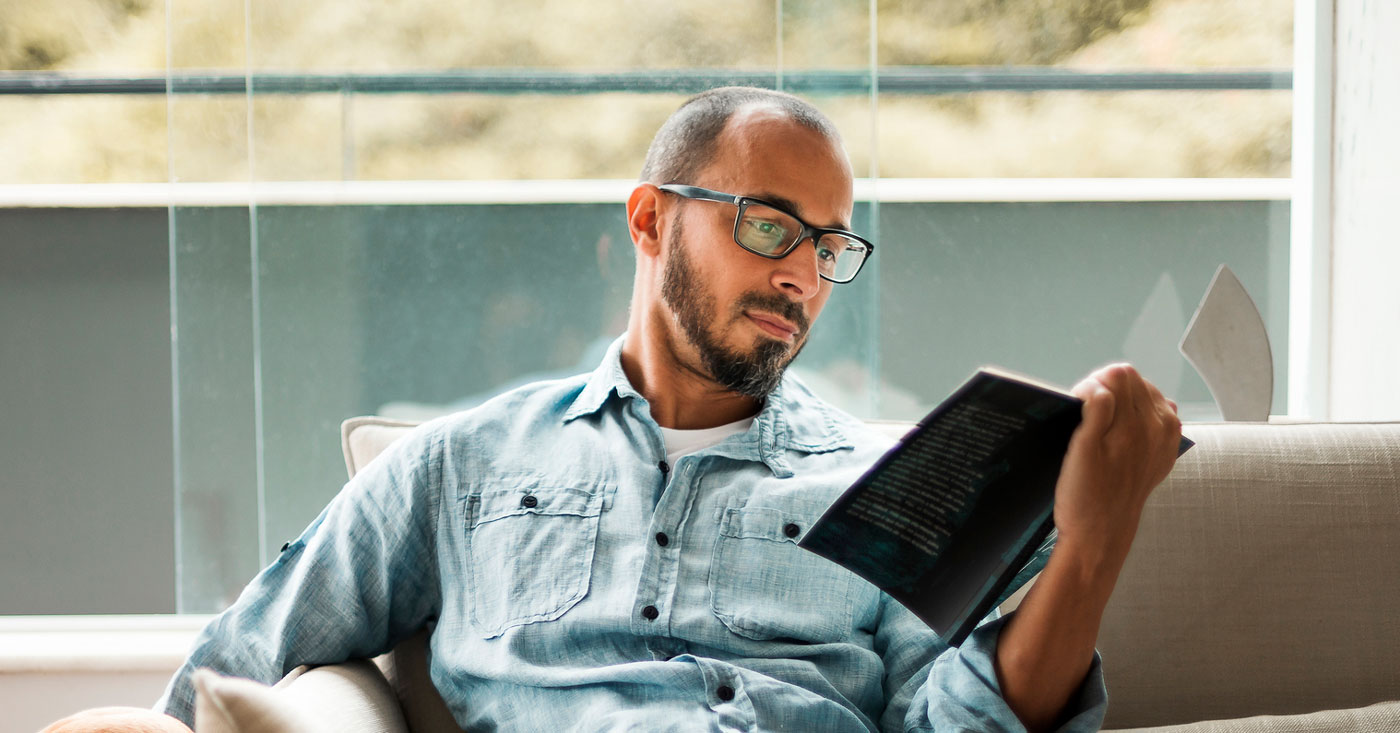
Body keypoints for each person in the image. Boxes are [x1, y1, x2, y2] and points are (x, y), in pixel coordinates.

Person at [49, 86, 1182, 732]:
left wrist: (1094, 540)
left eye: (829, 245)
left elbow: (958, 729)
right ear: (649, 220)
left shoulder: (885, 482)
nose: (802, 273)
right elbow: (232, 664)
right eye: (768, 224)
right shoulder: (461, 467)